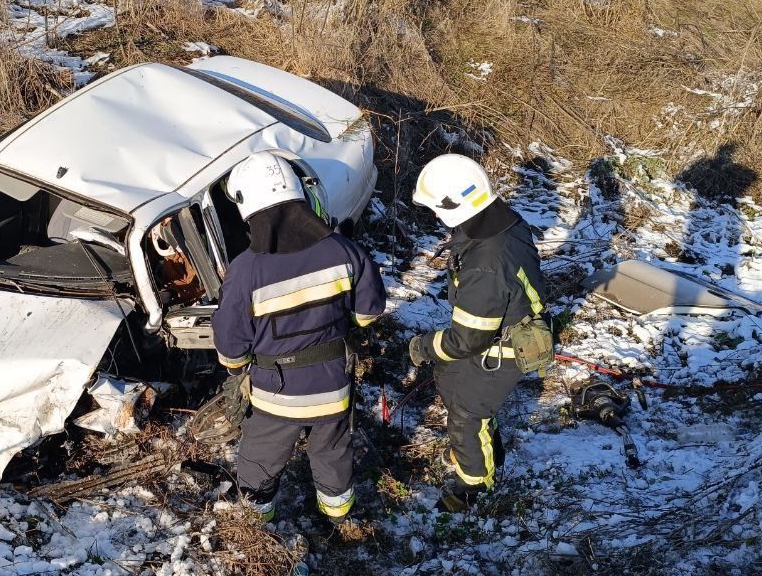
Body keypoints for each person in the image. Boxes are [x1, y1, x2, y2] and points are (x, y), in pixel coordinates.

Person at [214, 151, 387, 526]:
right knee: (333, 451)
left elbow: (231, 346)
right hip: (333, 386)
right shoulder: (345, 250)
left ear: (249, 208)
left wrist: (238, 369)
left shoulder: (246, 270)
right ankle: (339, 517)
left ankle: (255, 521)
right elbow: (368, 313)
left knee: (260, 457)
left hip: (277, 395)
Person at [407, 153, 549, 513]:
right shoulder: (499, 220)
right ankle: (481, 445)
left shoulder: (485, 265)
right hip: (501, 328)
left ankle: (474, 485)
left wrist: (423, 347)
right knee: (452, 380)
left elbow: (468, 340)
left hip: (503, 346)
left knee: (467, 414)